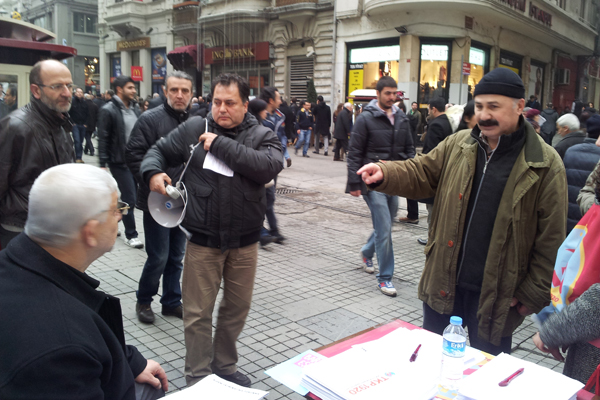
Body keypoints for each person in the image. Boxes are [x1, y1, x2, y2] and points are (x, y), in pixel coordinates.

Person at [356, 68, 567, 355]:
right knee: (432, 361)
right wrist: (385, 171)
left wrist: (533, 292)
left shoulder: (545, 163)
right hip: (445, 279)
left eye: (494, 107)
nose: (484, 115)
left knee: (487, 375)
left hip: (497, 294)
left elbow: (551, 237)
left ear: (519, 106)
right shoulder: (460, 143)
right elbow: (422, 171)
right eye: (479, 106)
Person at [140, 73, 283, 387]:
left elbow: (269, 167)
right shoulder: (195, 127)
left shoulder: (262, 134)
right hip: (203, 242)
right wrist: (152, 172)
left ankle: (225, 365)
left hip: (245, 244)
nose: (221, 109)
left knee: (236, 309)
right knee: (197, 312)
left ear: (245, 104)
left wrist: (220, 145)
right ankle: (199, 375)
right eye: (217, 102)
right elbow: (157, 151)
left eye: (230, 103)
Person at [0, 164, 168, 399]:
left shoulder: (17, 264)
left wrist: (129, 362)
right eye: (115, 210)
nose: (120, 216)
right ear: (90, 232)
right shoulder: (62, 350)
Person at [126, 71, 193, 324]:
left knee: (177, 255)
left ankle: (171, 302)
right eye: (174, 90)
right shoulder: (149, 119)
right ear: (165, 91)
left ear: (191, 94)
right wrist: (151, 174)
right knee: (159, 256)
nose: (179, 95)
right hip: (157, 201)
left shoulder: (197, 121)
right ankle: (144, 300)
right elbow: (133, 153)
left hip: (185, 202)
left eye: (184, 90)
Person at [347, 76, 414, 297]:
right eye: (388, 93)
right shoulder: (365, 119)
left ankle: (367, 252)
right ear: (378, 94)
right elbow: (354, 152)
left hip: (393, 180)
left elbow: (410, 149)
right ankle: (385, 278)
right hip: (371, 182)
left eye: (395, 93)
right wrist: (354, 183)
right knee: (384, 228)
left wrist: (411, 173)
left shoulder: (402, 117)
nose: (392, 97)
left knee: (387, 223)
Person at [0, 60, 75, 248]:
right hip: (21, 230)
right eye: (57, 86)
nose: (66, 93)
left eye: (69, 85)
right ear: (36, 91)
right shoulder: (16, 127)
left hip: (54, 226)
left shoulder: (61, 123)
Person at [97, 75, 143, 249]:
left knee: (127, 197)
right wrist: (102, 163)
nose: (134, 91)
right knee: (130, 198)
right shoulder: (108, 110)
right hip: (119, 162)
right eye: (130, 88)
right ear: (119, 89)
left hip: (135, 161)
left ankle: (111, 221)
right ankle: (131, 234)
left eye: (134, 88)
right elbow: (103, 138)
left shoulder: (135, 109)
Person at [416, 96, 453, 245]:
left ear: (434, 109)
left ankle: (432, 238)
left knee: (433, 208)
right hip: (447, 170)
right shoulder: (450, 122)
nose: (428, 113)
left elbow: (431, 152)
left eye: (428, 109)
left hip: (436, 174)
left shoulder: (436, 124)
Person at [563, 114, 600, 232]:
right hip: (590, 225)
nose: (598, 143)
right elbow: (587, 190)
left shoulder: (570, 150)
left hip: (571, 216)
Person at [260, 86, 291, 168]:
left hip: (276, 158)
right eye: (278, 99)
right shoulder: (257, 118)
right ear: (271, 101)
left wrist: (283, 146)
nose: (280, 102)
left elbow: (282, 133)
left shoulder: (280, 117)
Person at [70, 87, 89, 163]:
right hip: (75, 125)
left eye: (81, 92)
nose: (79, 93)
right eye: (78, 92)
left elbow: (88, 114)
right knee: (77, 141)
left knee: (80, 142)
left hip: (82, 125)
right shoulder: (72, 102)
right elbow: (69, 113)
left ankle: (79, 157)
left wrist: (86, 124)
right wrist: (72, 123)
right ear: (75, 93)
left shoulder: (85, 103)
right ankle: (77, 157)